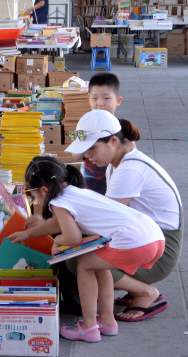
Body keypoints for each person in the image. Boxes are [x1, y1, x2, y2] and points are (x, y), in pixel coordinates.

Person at [8, 156, 165, 342]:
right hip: (153, 237)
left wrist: (58, 240)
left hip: (136, 242)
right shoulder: (75, 192)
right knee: (98, 265)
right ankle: (107, 320)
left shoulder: (56, 202)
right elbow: (59, 222)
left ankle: (89, 326)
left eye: (31, 195)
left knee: (84, 265)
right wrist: (28, 234)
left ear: (43, 190)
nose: (33, 199)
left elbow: (72, 238)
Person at [65, 110, 182, 322]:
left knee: (78, 259)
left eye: (91, 148)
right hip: (152, 239)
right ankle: (133, 286)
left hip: (162, 252)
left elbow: (105, 222)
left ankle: (145, 292)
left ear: (112, 141)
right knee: (81, 244)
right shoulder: (120, 160)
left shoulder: (130, 169)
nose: (86, 156)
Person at [77, 73, 124, 195]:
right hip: (89, 187)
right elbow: (75, 157)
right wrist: (84, 143)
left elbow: (132, 157)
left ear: (118, 101)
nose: (100, 103)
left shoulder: (123, 128)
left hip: (116, 186)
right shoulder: (85, 127)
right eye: (94, 98)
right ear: (89, 100)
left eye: (106, 98)